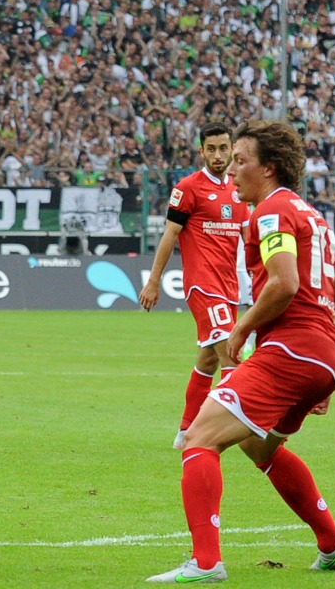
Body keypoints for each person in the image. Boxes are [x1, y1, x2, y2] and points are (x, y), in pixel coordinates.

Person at [147, 119, 335, 583]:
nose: (232, 169)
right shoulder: (314, 218)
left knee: (200, 437)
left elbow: (284, 284)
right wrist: (332, 371)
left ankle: (205, 563)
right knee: (259, 447)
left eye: (241, 161)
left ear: (269, 168)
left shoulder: (272, 212)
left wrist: (241, 328)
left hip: (290, 348)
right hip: (323, 357)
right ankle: (333, 545)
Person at [139, 122, 250, 449]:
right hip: (203, 287)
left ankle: (185, 433)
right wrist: (153, 281)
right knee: (233, 359)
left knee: (208, 361)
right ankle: (226, 433)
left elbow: (248, 240)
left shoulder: (238, 190)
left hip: (230, 288)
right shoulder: (189, 187)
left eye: (223, 148)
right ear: (201, 151)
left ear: (232, 150)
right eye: (211, 149)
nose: (218, 155)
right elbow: (169, 236)